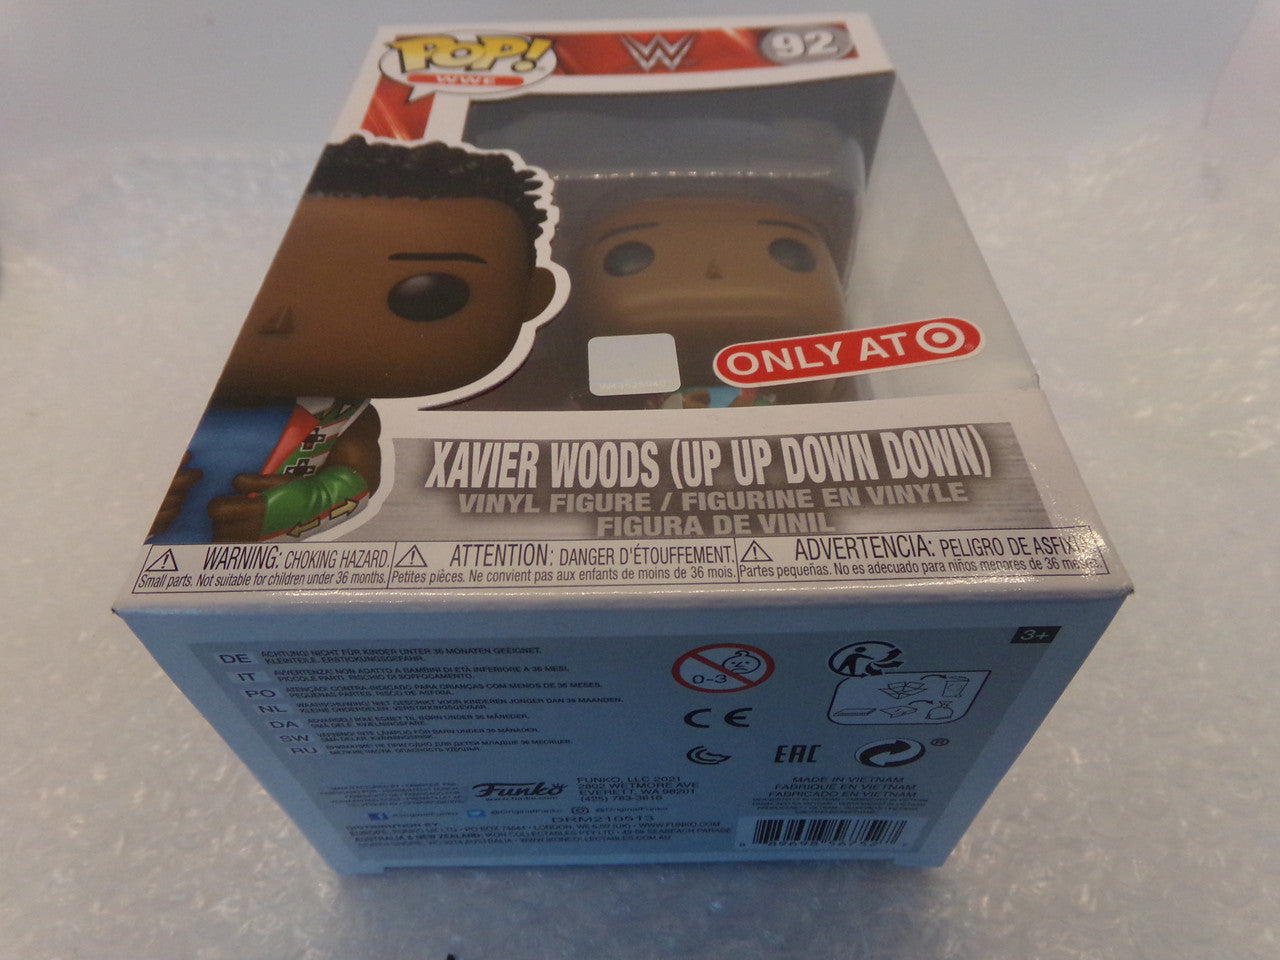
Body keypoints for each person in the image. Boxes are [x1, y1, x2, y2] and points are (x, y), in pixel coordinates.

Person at [149, 136, 558, 542]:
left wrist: (298, 506)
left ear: (530, 297)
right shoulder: (151, 401)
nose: (278, 319)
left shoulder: (339, 414)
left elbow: (355, 479)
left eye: (426, 294)